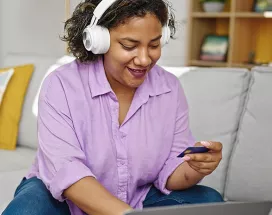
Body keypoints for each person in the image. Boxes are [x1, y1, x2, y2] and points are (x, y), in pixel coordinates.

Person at [2, 0, 223, 215]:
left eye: (154, 45)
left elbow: (172, 173)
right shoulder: (60, 85)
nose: (145, 59)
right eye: (129, 46)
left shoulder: (169, 89)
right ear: (98, 41)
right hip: (64, 199)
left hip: (137, 198)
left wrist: (194, 168)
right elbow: (67, 173)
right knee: (27, 210)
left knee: (208, 201)